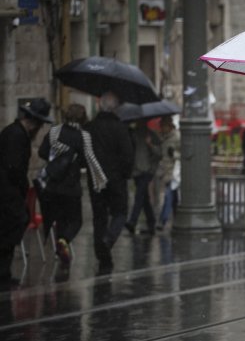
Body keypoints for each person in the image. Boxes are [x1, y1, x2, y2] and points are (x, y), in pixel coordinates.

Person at [36, 103, 107, 266]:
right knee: (76, 220)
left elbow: (42, 152)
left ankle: (63, 253)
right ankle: (64, 240)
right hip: (71, 187)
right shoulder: (84, 136)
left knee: (61, 219)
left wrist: (57, 160)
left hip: (53, 185)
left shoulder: (55, 131)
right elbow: (88, 160)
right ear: (83, 118)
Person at [0, 98, 52, 286]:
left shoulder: (15, 133)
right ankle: (2, 272)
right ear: (34, 123)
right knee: (13, 226)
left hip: (9, 192)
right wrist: (21, 185)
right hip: (8, 192)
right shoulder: (16, 135)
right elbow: (14, 167)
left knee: (12, 226)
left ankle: (4, 272)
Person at [85, 91, 134, 272]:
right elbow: (127, 155)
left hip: (95, 178)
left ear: (99, 105)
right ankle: (109, 239)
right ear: (115, 108)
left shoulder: (90, 127)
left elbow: (85, 152)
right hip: (116, 178)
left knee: (99, 216)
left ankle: (102, 255)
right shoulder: (120, 128)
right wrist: (125, 174)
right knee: (120, 212)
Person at [125, 119, 162, 236]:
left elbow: (159, 154)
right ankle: (151, 223)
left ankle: (132, 221)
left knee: (139, 195)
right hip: (136, 171)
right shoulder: (132, 134)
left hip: (147, 171)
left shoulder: (152, 135)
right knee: (144, 198)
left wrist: (150, 144)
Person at [156, 116, 180, 230]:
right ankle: (177, 221)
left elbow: (185, 155)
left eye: (163, 126)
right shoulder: (162, 138)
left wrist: (174, 154)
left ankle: (163, 220)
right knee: (173, 198)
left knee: (168, 196)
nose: (161, 128)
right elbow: (161, 155)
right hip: (165, 172)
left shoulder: (177, 137)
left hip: (173, 173)